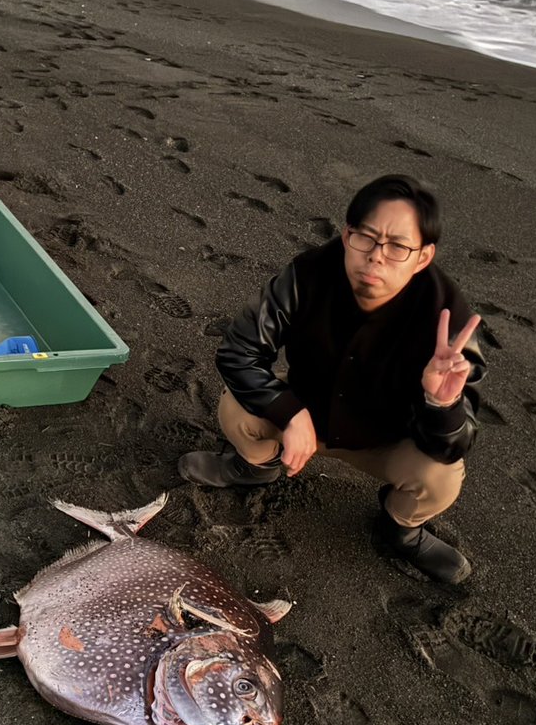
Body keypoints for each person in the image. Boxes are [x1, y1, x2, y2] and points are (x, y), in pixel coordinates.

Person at [178, 173, 485, 584]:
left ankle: (401, 529)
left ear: (423, 257)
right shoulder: (306, 275)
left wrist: (441, 404)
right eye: (367, 237)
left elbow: (456, 443)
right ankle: (255, 468)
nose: (376, 256)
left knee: (441, 477)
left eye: (398, 246)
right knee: (236, 406)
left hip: (388, 437)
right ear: (346, 235)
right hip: (308, 411)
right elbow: (239, 351)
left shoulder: (450, 323)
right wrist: (289, 412)